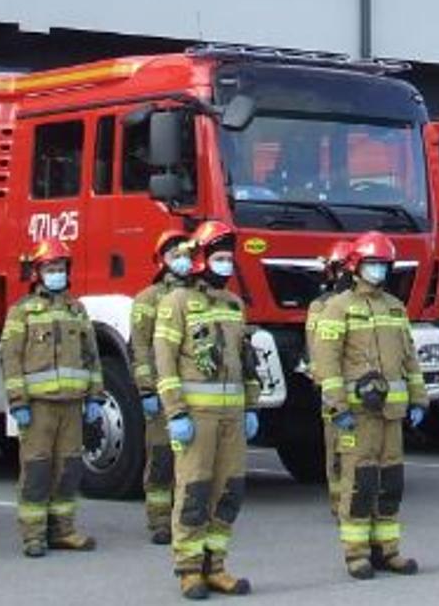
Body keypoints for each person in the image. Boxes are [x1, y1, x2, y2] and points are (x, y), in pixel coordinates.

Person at [311, 232, 427, 579]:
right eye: (372, 264)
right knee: (360, 482)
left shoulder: (395, 307)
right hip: (357, 414)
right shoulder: (338, 307)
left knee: (390, 480)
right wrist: (338, 407)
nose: (378, 271)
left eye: (383, 265)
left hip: (391, 413)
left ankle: (388, 550)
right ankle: (357, 554)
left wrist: (419, 398)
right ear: (356, 266)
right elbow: (326, 362)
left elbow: (409, 359)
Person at [154, 221, 260, 598]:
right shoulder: (177, 303)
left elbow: (246, 360)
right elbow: (164, 363)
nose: (226, 265)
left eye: (230, 259)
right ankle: (188, 569)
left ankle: (216, 565)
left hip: (232, 417)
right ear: (201, 260)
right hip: (196, 418)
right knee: (194, 490)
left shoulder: (233, 305)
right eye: (219, 258)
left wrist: (251, 404)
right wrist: (176, 413)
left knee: (229, 490)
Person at [2, 237, 102, 556]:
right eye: (50, 268)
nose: (56, 273)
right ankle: (33, 535)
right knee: (37, 470)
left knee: (68, 469)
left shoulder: (77, 310)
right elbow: (11, 358)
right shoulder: (22, 312)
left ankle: (64, 530)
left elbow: (92, 357)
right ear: (38, 272)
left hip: (72, 405)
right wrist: (18, 402)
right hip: (38, 407)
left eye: (60, 268)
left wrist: (95, 398)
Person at [130, 230, 194, 545]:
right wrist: (146, 390)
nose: (182, 261)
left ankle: (187, 517)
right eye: (175, 255)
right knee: (161, 456)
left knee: (192, 462)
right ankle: (159, 521)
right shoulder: (147, 299)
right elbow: (140, 349)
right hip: (161, 391)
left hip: (195, 392)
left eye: (186, 255)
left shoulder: (201, 295)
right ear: (162, 260)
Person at [308, 240, 356, 514]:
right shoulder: (322, 306)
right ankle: (340, 502)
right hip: (334, 387)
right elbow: (318, 347)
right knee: (337, 447)